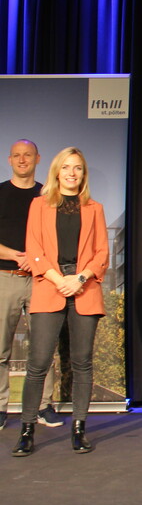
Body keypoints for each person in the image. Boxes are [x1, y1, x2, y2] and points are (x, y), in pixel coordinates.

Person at [11, 147, 108, 457]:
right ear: (56, 171)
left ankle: (79, 429)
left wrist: (78, 279)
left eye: (77, 168)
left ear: (83, 173)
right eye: (66, 167)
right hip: (49, 286)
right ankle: (27, 430)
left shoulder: (95, 208)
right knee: (38, 364)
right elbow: (33, 248)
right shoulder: (39, 205)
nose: (71, 173)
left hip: (83, 288)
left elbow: (102, 254)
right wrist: (58, 279)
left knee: (82, 364)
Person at [1, 140, 61, 432]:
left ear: (38, 158)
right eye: (17, 156)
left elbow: (58, 240)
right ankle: (0, 408)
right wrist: (16, 256)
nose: (22, 160)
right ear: (9, 159)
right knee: (0, 350)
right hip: (5, 278)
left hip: (42, 281)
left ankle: (42, 406)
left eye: (27, 155)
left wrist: (36, 261)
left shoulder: (48, 195)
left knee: (43, 348)